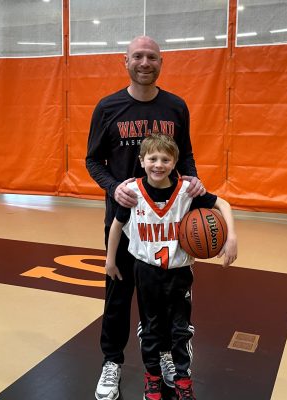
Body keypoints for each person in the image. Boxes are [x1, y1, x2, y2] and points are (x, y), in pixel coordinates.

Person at [85, 36, 206, 400]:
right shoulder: (108, 107)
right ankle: (112, 362)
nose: (144, 62)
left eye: (151, 57)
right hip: (126, 221)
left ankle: (166, 354)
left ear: (160, 63)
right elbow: (93, 161)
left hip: (168, 224)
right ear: (125, 61)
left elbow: (184, 157)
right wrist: (113, 187)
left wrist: (195, 188)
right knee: (118, 294)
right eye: (137, 56)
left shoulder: (176, 107)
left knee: (168, 300)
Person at [106, 134, 238, 400]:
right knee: (151, 328)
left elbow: (223, 203)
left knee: (180, 329)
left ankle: (183, 378)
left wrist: (231, 237)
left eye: (165, 159)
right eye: (152, 158)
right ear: (142, 161)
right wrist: (110, 259)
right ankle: (152, 376)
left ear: (175, 162)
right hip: (145, 272)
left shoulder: (187, 192)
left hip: (179, 272)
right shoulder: (132, 192)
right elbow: (117, 225)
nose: (158, 164)